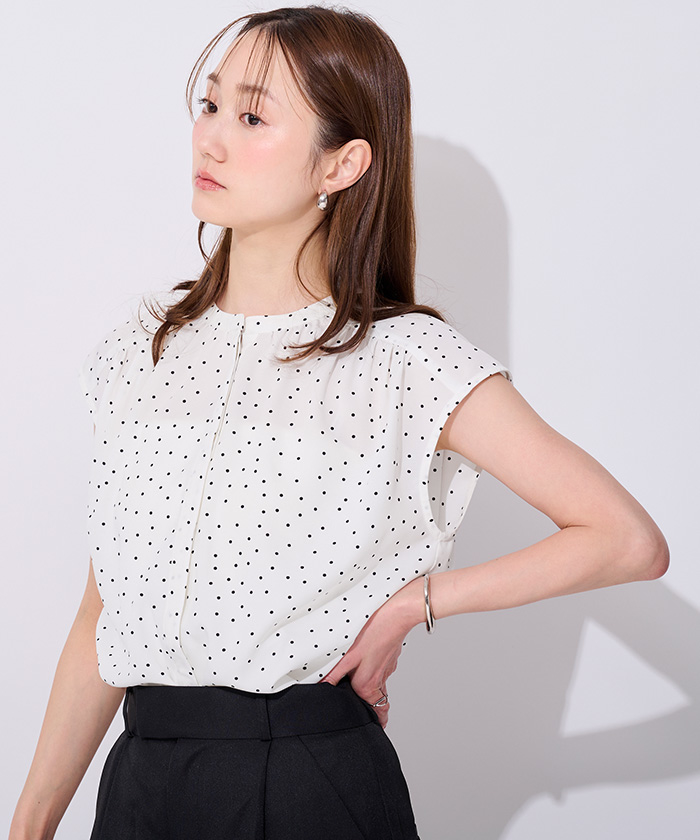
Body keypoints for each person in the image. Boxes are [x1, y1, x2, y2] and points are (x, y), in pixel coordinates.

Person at [9, 5, 669, 840]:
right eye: (210, 105)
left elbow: (625, 540)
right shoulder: (141, 353)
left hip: (308, 785)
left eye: (253, 117)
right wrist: (30, 825)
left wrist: (416, 602)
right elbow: (102, 616)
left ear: (342, 163)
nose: (211, 138)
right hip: (142, 784)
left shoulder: (408, 359)